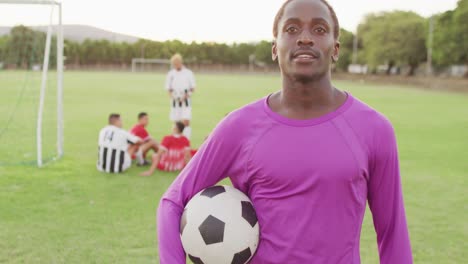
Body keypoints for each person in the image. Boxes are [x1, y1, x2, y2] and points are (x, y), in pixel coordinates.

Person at [157, 0, 413, 263]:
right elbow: (173, 203)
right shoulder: (239, 127)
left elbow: (392, 233)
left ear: (335, 49)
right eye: (291, 29)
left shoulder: (374, 129)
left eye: (319, 29)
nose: (304, 38)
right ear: (274, 48)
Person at [165, 53, 196, 140]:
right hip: (175, 101)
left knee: (186, 121)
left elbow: (193, 87)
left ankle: (186, 141)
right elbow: (168, 88)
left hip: (186, 101)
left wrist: (186, 96)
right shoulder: (171, 74)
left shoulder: (188, 73)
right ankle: (176, 141)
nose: (176, 65)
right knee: (177, 122)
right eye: (174, 64)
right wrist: (173, 97)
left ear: (180, 62)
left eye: (177, 63)